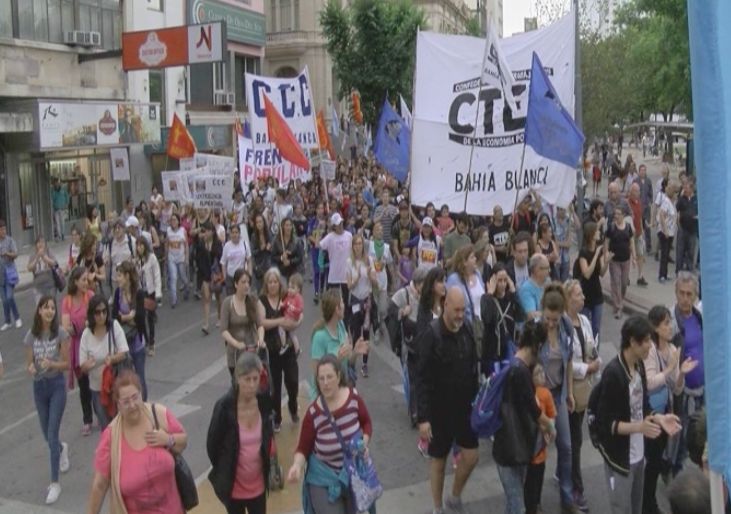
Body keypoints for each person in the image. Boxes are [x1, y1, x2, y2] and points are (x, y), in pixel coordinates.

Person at [594, 315, 682, 514]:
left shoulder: (639, 366)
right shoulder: (614, 374)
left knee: (637, 507)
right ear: (632, 342)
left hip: (638, 454)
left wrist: (658, 417)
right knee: (622, 508)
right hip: (620, 459)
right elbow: (607, 424)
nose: (650, 347)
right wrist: (639, 427)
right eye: (646, 341)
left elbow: (643, 406)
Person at [86, 370, 189, 514]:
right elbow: (100, 485)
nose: (133, 405)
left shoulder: (158, 414)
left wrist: (168, 439)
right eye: (126, 402)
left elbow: (183, 441)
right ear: (118, 404)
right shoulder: (111, 437)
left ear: (141, 394)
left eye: (135, 397)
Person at [417, 287, 479, 514]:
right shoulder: (431, 334)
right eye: (457, 310)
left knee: (472, 456)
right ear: (445, 306)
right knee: (439, 460)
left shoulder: (467, 329)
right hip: (438, 410)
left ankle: (454, 496)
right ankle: (437, 507)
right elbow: (420, 378)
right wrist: (423, 419)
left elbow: (474, 365)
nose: (461, 315)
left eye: (463, 310)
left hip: (464, 408)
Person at [287, 354, 374, 514]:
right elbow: (303, 448)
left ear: (339, 376)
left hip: (352, 473)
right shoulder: (314, 413)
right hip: (323, 479)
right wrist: (297, 466)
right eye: (321, 379)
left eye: (329, 377)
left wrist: (364, 443)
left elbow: (367, 423)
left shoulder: (353, 398)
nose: (325, 383)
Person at [644, 305, 698, 514]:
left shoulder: (674, 350)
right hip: (650, 413)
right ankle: (647, 502)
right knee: (650, 460)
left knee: (657, 458)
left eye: (669, 322)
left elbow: (677, 388)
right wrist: (669, 368)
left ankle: (648, 500)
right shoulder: (649, 350)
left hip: (666, 409)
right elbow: (649, 383)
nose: (670, 327)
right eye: (666, 323)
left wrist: (681, 373)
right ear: (656, 328)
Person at [207, 352, 273, 514]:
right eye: (247, 379)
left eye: (255, 379)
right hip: (234, 488)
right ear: (237, 379)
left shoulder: (263, 402)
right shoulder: (224, 407)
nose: (251, 385)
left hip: (258, 486)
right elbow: (212, 446)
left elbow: (267, 435)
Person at [25, 295, 71, 505]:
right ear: (39, 311)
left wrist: (51, 364)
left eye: (53, 307)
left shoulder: (60, 333)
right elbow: (29, 364)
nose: (50, 311)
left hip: (56, 387)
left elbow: (66, 365)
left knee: (51, 432)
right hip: (39, 388)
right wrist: (32, 367)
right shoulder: (31, 336)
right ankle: (61, 449)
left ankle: (55, 484)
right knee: (47, 435)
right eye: (46, 307)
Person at [537, 284, 579, 513]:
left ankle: (566, 496)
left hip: (559, 395)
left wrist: (570, 392)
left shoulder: (566, 328)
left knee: (566, 446)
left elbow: (569, 362)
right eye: (548, 318)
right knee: (539, 449)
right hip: (540, 398)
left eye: (554, 319)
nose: (551, 324)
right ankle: (534, 499)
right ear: (542, 311)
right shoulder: (535, 330)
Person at [564, 279, 600, 511]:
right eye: (578, 295)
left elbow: (593, 349)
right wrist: (587, 368)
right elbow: (567, 363)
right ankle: (576, 488)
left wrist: (594, 364)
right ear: (568, 299)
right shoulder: (563, 325)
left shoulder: (585, 321)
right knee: (574, 442)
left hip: (585, 389)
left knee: (573, 440)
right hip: (570, 392)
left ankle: (566, 473)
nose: (583, 298)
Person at [669, 272, 704, 476]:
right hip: (682, 392)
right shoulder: (671, 322)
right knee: (680, 438)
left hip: (701, 389)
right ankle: (674, 471)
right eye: (681, 293)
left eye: (689, 294)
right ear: (675, 293)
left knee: (697, 435)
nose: (684, 298)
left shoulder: (699, 317)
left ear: (695, 296)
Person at [79, 295, 129, 430]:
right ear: (91, 314)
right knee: (106, 428)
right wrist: (87, 366)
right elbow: (82, 365)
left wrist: (112, 359)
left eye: (104, 311)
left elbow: (124, 351)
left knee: (121, 424)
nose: (101, 315)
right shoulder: (86, 335)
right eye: (97, 312)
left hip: (116, 384)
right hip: (97, 388)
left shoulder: (114, 326)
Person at [260, 267, 301, 431]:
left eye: (275, 281)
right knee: (274, 387)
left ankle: (293, 406)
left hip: (288, 348)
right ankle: (276, 417)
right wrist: (280, 321)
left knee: (293, 381)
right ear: (266, 284)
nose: (272, 285)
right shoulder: (262, 300)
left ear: (279, 283)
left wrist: (294, 323)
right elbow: (262, 322)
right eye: (269, 282)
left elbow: (299, 314)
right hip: (272, 350)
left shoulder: (287, 296)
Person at [61, 267, 95, 435]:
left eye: (86, 280)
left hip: (91, 343)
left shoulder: (90, 296)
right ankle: (87, 419)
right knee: (84, 386)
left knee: (96, 382)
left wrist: (90, 324)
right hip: (76, 345)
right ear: (75, 282)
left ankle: (102, 413)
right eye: (83, 280)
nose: (86, 283)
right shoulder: (67, 301)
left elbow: (98, 315)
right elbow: (65, 325)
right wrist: (71, 329)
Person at [522, 363, 557, 514]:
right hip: (529, 444)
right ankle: (531, 506)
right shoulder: (529, 393)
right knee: (530, 481)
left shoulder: (546, 394)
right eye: (537, 373)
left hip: (540, 447)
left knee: (537, 478)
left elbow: (552, 414)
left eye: (542, 372)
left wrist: (550, 429)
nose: (541, 375)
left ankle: (535, 504)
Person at [112, 261, 148, 401]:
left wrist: (126, 317)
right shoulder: (117, 293)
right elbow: (114, 316)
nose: (117, 278)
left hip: (137, 342)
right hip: (123, 342)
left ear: (127, 276)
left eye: (119, 275)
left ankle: (143, 405)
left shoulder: (138, 293)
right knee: (126, 378)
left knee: (139, 377)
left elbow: (139, 318)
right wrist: (128, 317)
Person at [221, 269, 265, 377]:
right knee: (238, 387)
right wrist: (236, 343)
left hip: (252, 351)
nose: (246, 285)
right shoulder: (228, 303)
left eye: (248, 282)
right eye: (243, 282)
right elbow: (224, 330)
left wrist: (260, 339)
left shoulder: (252, 301)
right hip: (235, 355)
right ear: (236, 284)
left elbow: (260, 325)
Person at [481, 263, 520, 375]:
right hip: (493, 352)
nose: (503, 284)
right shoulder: (487, 299)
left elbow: (520, 314)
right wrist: (490, 293)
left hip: (508, 347)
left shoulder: (509, 297)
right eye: (499, 280)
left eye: (505, 280)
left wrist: (513, 291)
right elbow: (487, 317)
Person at [346, 234, 375, 377]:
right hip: (355, 300)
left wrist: (370, 275)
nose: (358, 246)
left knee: (366, 332)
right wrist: (356, 278)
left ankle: (365, 363)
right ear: (352, 246)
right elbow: (349, 286)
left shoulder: (369, 260)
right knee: (356, 332)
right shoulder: (349, 262)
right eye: (355, 244)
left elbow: (375, 282)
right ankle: (352, 362)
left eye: (360, 243)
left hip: (367, 301)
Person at [446, 245, 485, 337]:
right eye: (472, 257)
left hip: (480, 325)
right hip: (464, 328)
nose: (475, 259)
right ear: (464, 262)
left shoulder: (478, 274)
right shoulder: (454, 279)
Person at [605, 204, 636, 318]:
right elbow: (606, 242)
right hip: (614, 260)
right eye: (615, 214)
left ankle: (619, 300)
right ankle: (619, 307)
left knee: (623, 283)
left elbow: (632, 242)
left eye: (618, 214)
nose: (616, 216)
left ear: (623, 215)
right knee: (616, 283)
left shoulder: (628, 227)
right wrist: (606, 256)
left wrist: (634, 258)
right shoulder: (611, 227)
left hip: (626, 260)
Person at [367, 221, 394, 342]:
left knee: (382, 309)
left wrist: (393, 280)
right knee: (374, 308)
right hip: (371, 282)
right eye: (377, 229)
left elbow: (390, 265)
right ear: (373, 232)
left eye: (381, 230)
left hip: (383, 282)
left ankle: (381, 322)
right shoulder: (369, 245)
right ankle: (377, 330)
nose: (380, 232)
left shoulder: (387, 248)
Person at [195, 221, 223, 335]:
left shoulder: (217, 244)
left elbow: (221, 258)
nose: (205, 233)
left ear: (212, 232)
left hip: (216, 274)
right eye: (204, 231)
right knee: (206, 297)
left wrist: (220, 273)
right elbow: (197, 258)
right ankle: (206, 324)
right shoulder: (201, 244)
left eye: (207, 231)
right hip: (205, 274)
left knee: (217, 296)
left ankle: (220, 317)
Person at [135, 237, 161, 356]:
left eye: (141, 245)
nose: (139, 248)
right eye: (137, 246)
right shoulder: (136, 260)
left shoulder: (152, 258)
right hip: (141, 292)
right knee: (140, 317)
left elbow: (157, 275)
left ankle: (151, 343)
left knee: (150, 318)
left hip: (150, 291)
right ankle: (144, 338)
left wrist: (158, 292)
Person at [319, 213, 353, 300]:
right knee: (332, 302)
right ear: (334, 226)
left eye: (341, 223)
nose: (340, 225)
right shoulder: (330, 237)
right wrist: (319, 231)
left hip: (346, 276)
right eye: (338, 224)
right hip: (334, 276)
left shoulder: (349, 235)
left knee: (346, 302)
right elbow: (318, 245)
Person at [0, 219, 21, 331]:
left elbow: (16, 254)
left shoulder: (10, 241)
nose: (3, 231)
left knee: (9, 297)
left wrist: (7, 253)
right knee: (4, 300)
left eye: (4, 229)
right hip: (0, 277)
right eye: (1, 229)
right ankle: (7, 321)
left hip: (9, 275)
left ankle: (17, 318)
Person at [104, 218, 136, 291]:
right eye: (115, 228)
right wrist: (106, 261)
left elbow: (136, 257)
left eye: (119, 228)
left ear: (124, 229)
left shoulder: (131, 241)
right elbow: (107, 258)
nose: (117, 230)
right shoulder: (111, 243)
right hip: (115, 280)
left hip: (128, 278)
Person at [657, 181, 678, 283]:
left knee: (667, 253)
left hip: (670, 232)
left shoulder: (672, 202)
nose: (676, 195)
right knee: (664, 254)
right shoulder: (666, 202)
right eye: (675, 193)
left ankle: (665, 273)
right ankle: (661, 275)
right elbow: (661, 215)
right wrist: (665, 229)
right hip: (665, 232)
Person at [627, 183, 648, 287]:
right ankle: (626, 277)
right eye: (635, 191)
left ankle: (640, 276)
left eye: (638, 191)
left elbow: (640, 217)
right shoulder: (627, 203)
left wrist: (642, 230)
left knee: (640, 254)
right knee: (629, 255)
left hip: (638, 233)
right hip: (629, 234)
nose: (637, 193)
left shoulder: (639, 202)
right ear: (630, 192)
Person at [28, 236, 59, 305]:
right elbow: (29, 268)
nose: (40, 244)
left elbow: (55, 263)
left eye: (42, 242)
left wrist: (44, 257)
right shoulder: (33, 255)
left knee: (51, 306)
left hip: (50, 285)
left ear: (45, 244)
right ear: (36, 245)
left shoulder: (49, 252)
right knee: (40, 307)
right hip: (38, 286)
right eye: (38, 242)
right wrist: (37, 257)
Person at [518, 254, 551, 319]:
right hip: (534, 327)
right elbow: (532, 315)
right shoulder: (526, 289)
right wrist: (552, 314)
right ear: (536, 270)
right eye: (546, 268)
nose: (549, 271)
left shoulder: (548, 282)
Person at [675, 176, 698, 272]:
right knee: (680, 250)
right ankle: (678, 269)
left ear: (691, 189)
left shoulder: (696, 199)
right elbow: (676, 209)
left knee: (691, 251)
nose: (685, 189)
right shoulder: (682, 199)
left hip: (692, 229)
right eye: (684, 188)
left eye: (687, 188)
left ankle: (689, 269)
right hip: (682, 228)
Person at [307, 202, 328, 303]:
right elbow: (309, 234)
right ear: (316, 210)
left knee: (323, 271)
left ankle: (322, 290)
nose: (321, 210)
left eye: (322, 208)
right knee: (317, 271)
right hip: (315, 250)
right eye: (319, 208)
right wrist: (315, 241)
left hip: (324, 250)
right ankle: (316, 292)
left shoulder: (326, 221)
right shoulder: (312, 221)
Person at [280, 273, 305, 356]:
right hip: (289, 317)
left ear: (298, 289)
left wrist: (294, 309)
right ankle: (297, 349)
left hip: (292, 318)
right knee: (292, 334)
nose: (290, 290)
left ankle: (284, 345)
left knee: (280, 327)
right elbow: (285, 303)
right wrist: (282, 305)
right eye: (289, 287)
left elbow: (300, 309)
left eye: (292, 288)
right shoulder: (289, 296)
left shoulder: (298, 298)